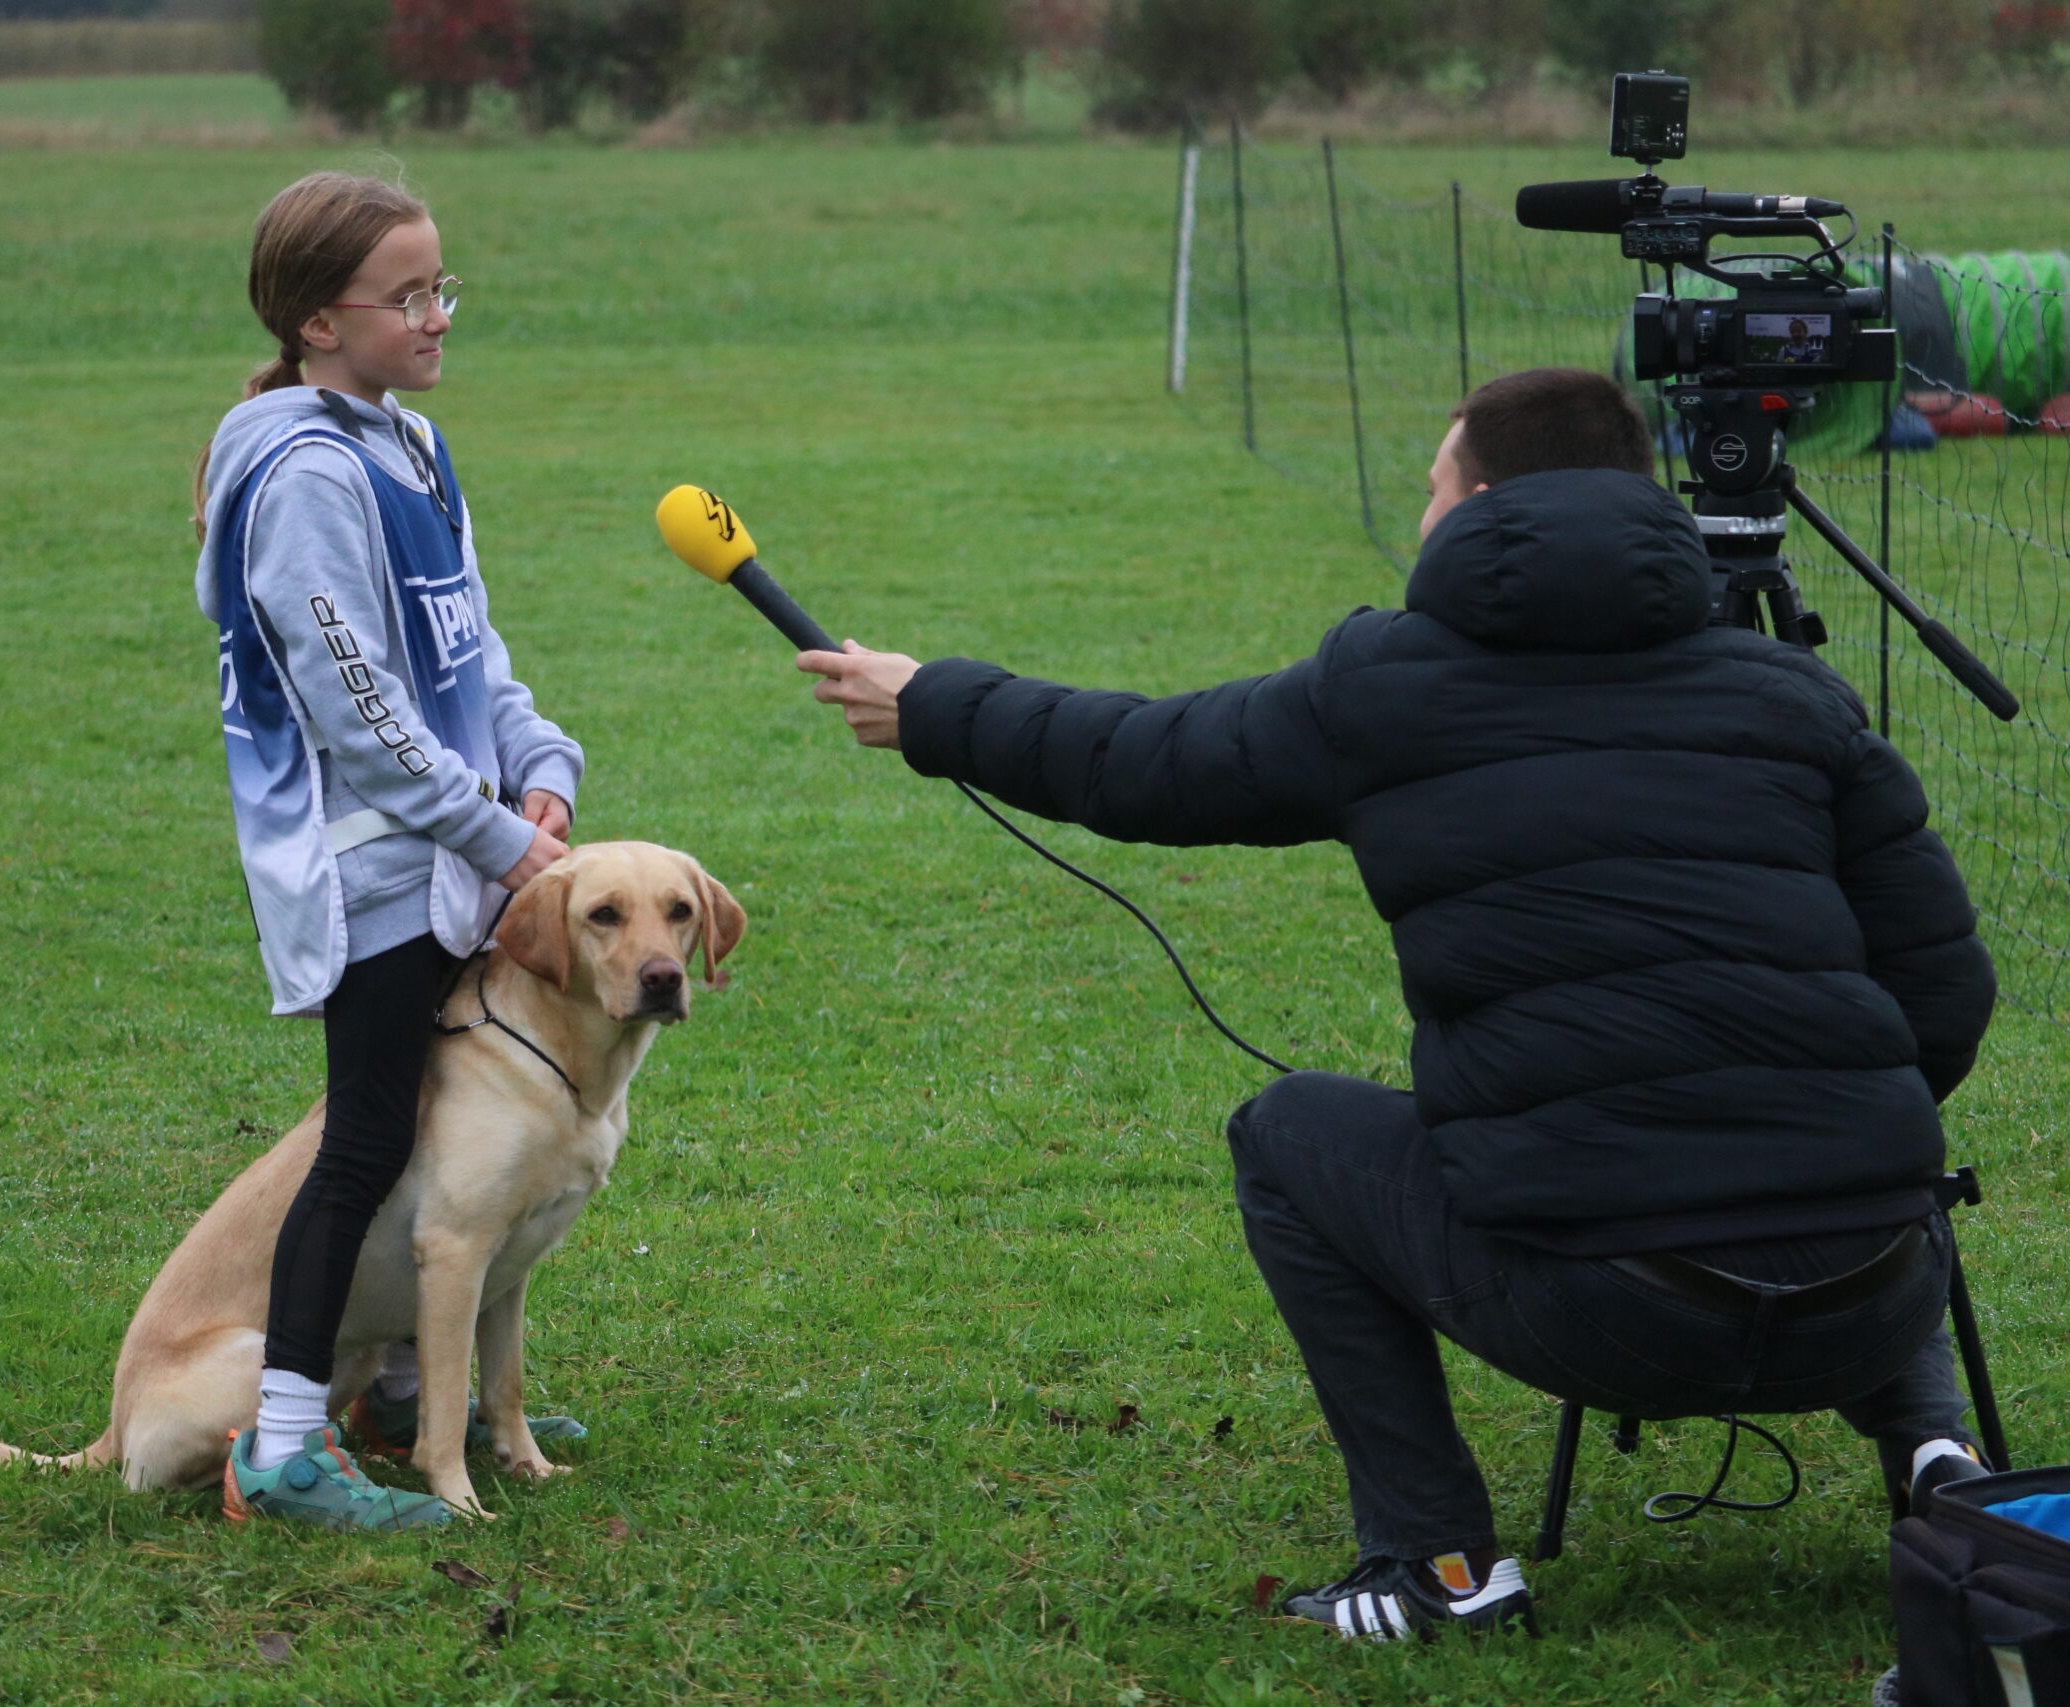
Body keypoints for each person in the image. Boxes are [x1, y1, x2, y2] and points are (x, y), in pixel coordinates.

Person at [797, 367, 1996, 1639]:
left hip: (1615, 1315)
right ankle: (1940, 1455)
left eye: (1434, 490)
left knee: (1289, 1130)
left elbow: (1133, 760)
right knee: (1847, 1122)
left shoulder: (1383, 685)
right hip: (1877, 1299)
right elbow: (1942, 999)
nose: (1425, 516)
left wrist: (931, 702)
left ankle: (1439, 1567)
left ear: (1480, 505)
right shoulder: (1794, 696)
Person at [192, 172, 584, 1531]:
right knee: (362, 1141)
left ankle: (414, 1389)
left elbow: (469, 650)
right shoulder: (303, 473)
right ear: (314, 321)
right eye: (405, 297)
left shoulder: (407, 442)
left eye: (442, 288)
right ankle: (284, 1448)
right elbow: (360, 713)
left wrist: (542, 770)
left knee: (443, 1127)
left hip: (459, 855)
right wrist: (498, 835)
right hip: (371, 876)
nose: (435, 316)